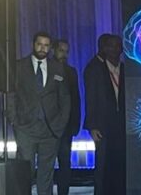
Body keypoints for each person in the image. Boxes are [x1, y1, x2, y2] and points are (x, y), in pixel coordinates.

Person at [7, 32, 70, 195]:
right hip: (25, 128)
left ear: (50, 48)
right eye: (39, 44)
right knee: (24, 173)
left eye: (46, 45)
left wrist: (61, 122)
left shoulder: (57, 68)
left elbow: (65, 97)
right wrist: (14, 119)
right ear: (33, 45)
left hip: (50, 130)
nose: (43, 48)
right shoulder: (19, 66)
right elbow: (11, 94)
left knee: (46, 174)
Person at [83, 33, 125, 195]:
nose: (115, 49)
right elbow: (91, 98)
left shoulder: (125, 69)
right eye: (111, 46)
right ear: (104, 48)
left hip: (121, 126)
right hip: (102, 126)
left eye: (118, 46)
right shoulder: (96, 69)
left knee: (119, 164)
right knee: (102, 165)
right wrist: (92, 126)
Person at [53, 39, 81, 195]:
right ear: (54, 50)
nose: (64, 54)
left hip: (66, 126)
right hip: (48, 127)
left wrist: (76, 123)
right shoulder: (47, 68)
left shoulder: (71, 71)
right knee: (47, 164)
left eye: (66, 51)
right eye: (61, 50)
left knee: (65, 163)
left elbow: (76, 98)